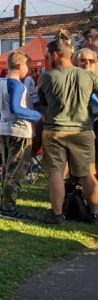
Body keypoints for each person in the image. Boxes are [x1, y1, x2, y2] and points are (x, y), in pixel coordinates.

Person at [36, 31, 98, 225]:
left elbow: (42, 103)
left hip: (55, 129)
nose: (46, 60)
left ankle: (56, 214)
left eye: (47, 56)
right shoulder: (88, 76)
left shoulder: (47, 77)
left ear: (55, 55)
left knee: (55, 171)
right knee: (87, 173)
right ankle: (95, 214)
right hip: (83, 130)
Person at [0, 50, 42, 221]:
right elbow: (16, 109)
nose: (28, 70)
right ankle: (8, 207)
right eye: (27, 66)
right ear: (19, 65)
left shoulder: (2, 83)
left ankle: (4, 204)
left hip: (5, 129)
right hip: (19, 132)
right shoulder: (18, 85)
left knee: (8, 169)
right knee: (16, 171)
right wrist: (36, 116)